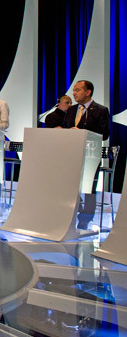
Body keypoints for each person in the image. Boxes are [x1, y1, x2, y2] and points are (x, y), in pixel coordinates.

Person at [59, 80, 110, 229]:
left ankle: (85, 220)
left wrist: (83, 134)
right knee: (69, 185)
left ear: (88, 92)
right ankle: (69, 214)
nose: (74, 93)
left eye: (78, 90)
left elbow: (104, 134)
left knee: (88, 188)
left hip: (90, 156)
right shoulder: (71, 109)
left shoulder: (100, 110)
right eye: (73, 90)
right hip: (71, 154)